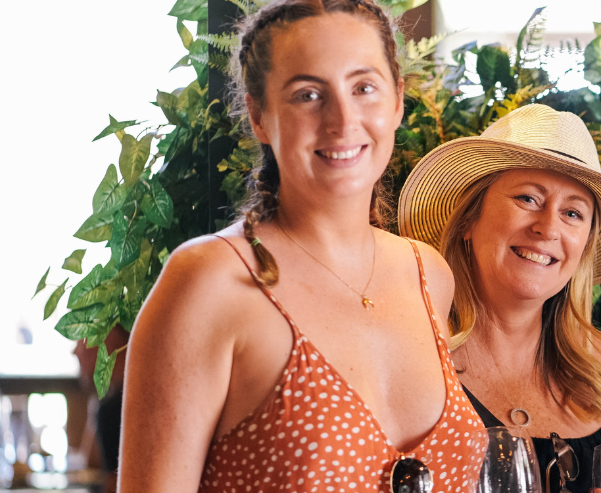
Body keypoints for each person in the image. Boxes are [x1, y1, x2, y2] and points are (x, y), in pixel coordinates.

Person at [119, 1, 483, 491]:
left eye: (363, 87)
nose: (342, 120)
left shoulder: (427, 274)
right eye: (308, 94)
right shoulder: (208, 282)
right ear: (258, 116)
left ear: (397, 100)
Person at [397, 104, 601, 493]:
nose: (548, 228)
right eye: (528, 198)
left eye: (573, 213)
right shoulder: (406, 366)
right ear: (467, 221)